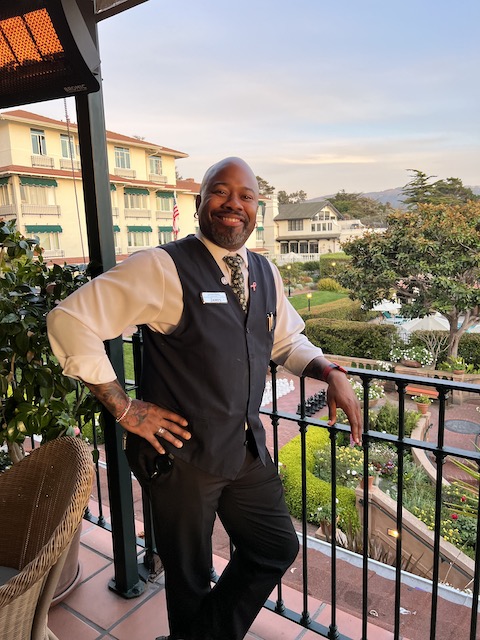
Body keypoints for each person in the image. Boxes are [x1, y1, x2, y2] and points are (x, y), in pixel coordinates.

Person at [47, 157, 362, 640]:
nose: (234, 203)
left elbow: (285, 341)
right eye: (220, 191)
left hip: (243, 450)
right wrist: (126, 408)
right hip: (181, 458)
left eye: (246, 195)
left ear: (257, 207)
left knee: (274, 546)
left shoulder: (263, 270)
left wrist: (330, 370)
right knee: (189, 580)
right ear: (200, 203)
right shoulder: (161, 266)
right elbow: (70, 320)